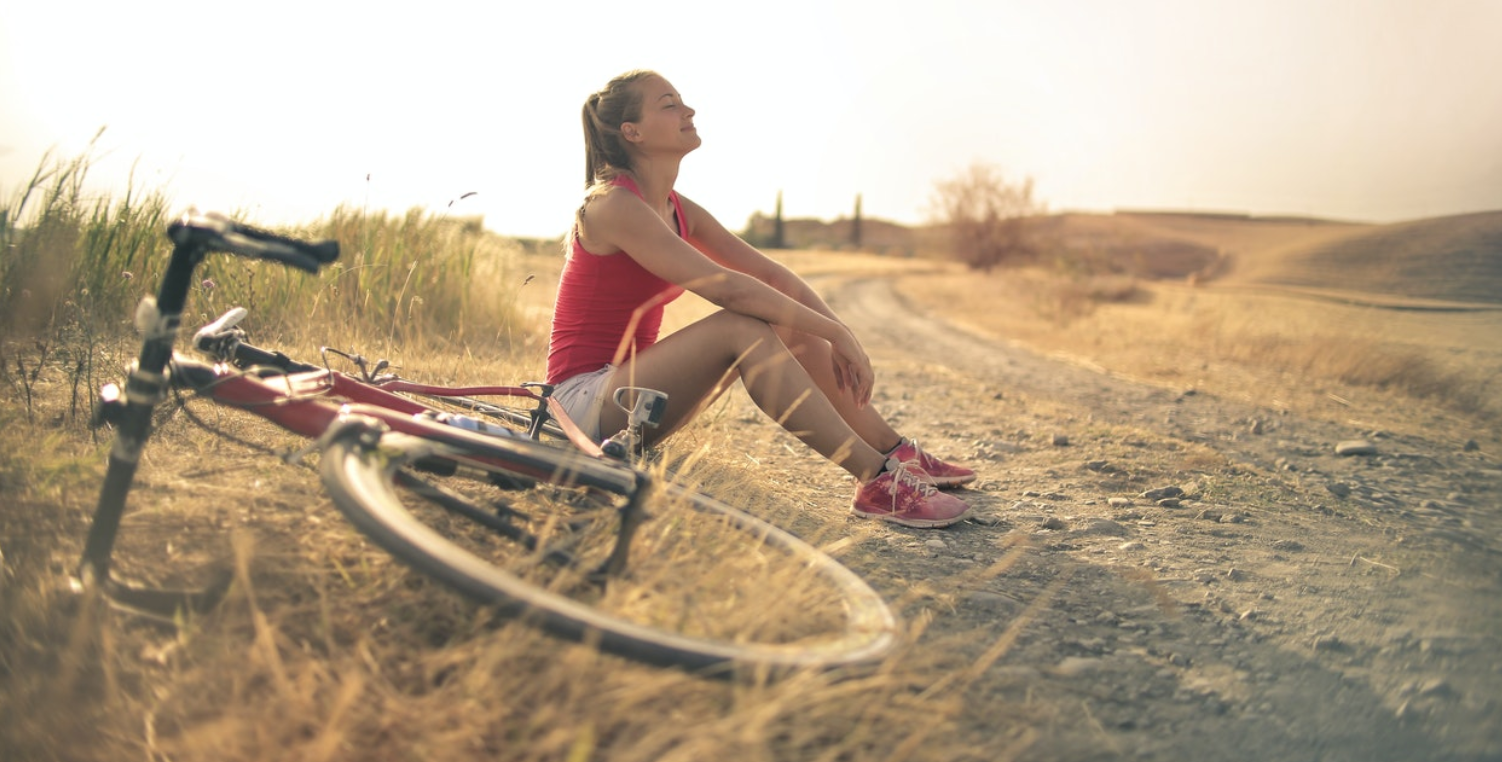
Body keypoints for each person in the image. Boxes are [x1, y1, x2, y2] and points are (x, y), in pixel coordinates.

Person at [545, 70, 976, 529]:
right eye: (669, 104)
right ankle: (875, 480)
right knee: (741, 325)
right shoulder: (612, 205)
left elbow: (769, 274)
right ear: (632, 132)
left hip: (635, 401)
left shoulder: (676, 208)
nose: (688, 111)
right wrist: (832, 332)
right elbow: (727, 286)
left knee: (791, 322)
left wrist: (837, 332)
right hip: (580, 405)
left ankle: (896, 454)